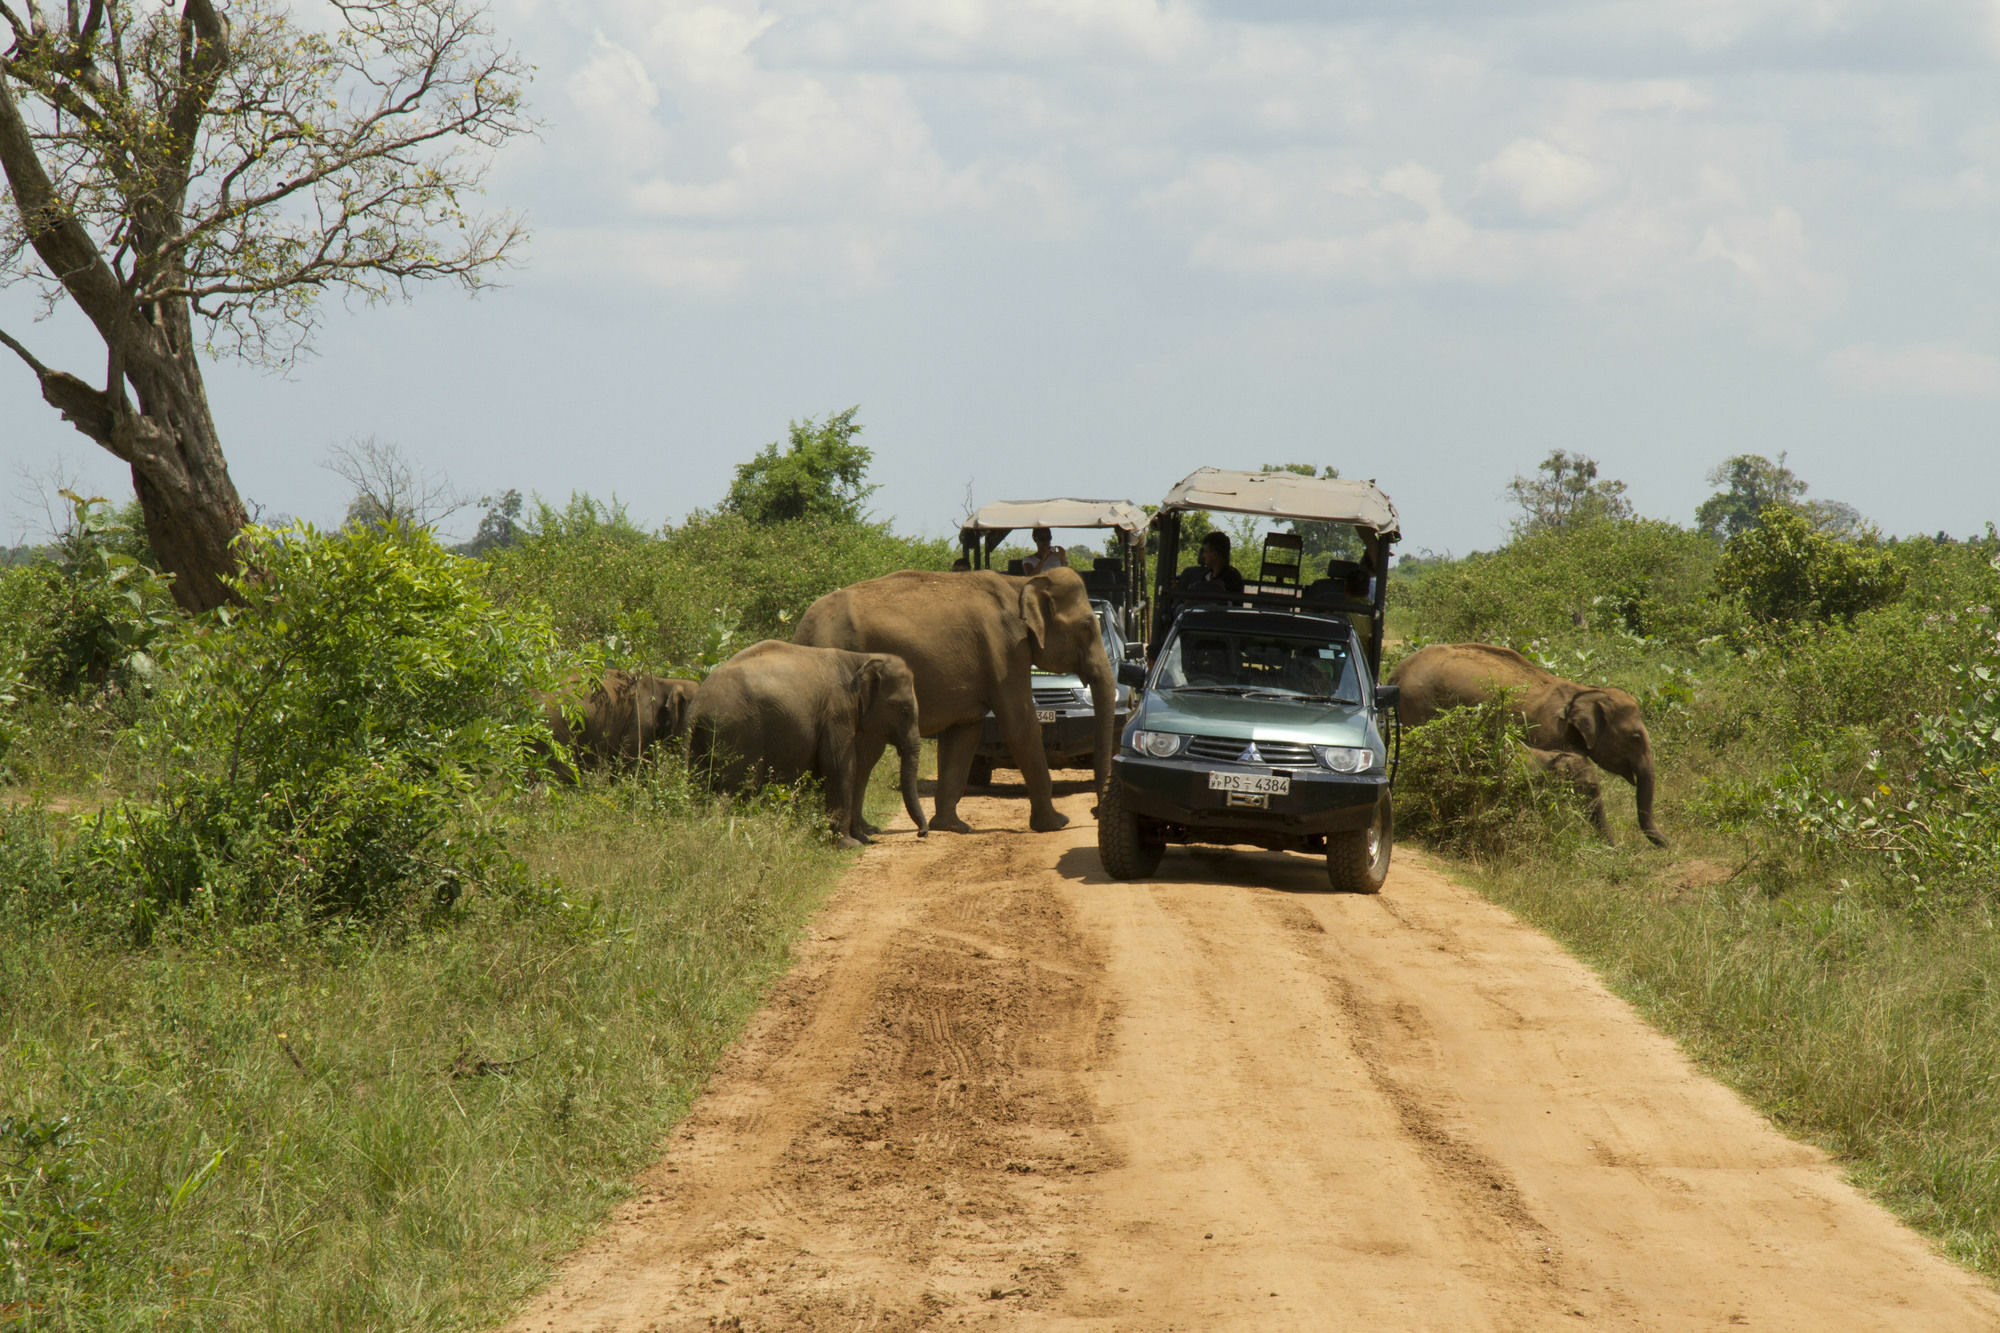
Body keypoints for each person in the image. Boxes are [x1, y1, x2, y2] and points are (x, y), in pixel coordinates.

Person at [1178, 531, 1245, 597]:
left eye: (1206, 552)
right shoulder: (1206, 575)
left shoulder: (1232, 578)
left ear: (1214, 554)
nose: (1203, 555)